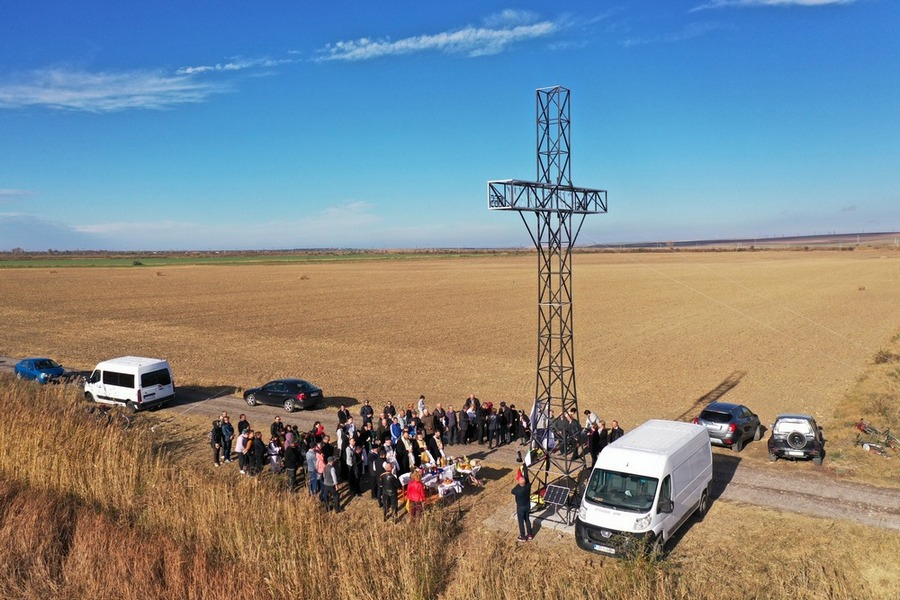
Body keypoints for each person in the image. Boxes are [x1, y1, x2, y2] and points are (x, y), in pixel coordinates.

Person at [511, 469, 533, 542]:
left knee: (521, 522)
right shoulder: (528, 486)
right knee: (527, 520)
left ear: (519, 483)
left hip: (520, 508)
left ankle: (523, 537)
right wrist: (524, 466)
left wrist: (519, 484)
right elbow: (526, 476)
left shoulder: (517, 490)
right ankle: (530, 535)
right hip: (527, 505)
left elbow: (512, 491)